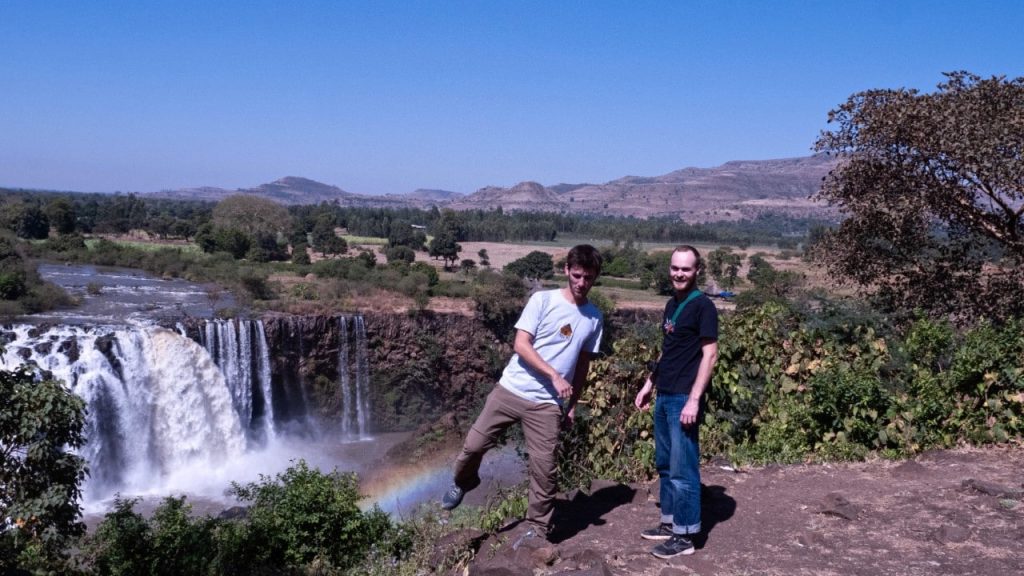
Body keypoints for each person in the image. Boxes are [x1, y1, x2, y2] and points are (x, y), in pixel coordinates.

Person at [440, 244, 604, 542]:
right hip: (511, 390)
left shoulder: (593, 318)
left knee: (545, 469)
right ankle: (463, 482)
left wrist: (571, 405)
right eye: (577, 275)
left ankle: (538, 527)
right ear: (566, 270)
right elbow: (521, 345)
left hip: (546, 405)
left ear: (595, 278)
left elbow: (582, 366)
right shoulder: (542, 300)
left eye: (588, 278)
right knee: (473, 446)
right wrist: (553, 374)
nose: (581, 283)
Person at [634, 245, 719, 559]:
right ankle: (670, 523)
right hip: (664, 394)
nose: (679, 274)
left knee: (684, 468)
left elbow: (710, 356)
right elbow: (667, 350)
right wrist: (648, 384)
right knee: (666, 465)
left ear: (697, 271)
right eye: (675, 268)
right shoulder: (671, 304)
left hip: (684, 397)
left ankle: (685, 536)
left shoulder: (703, 307)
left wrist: (694, 400)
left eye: (685, 269)